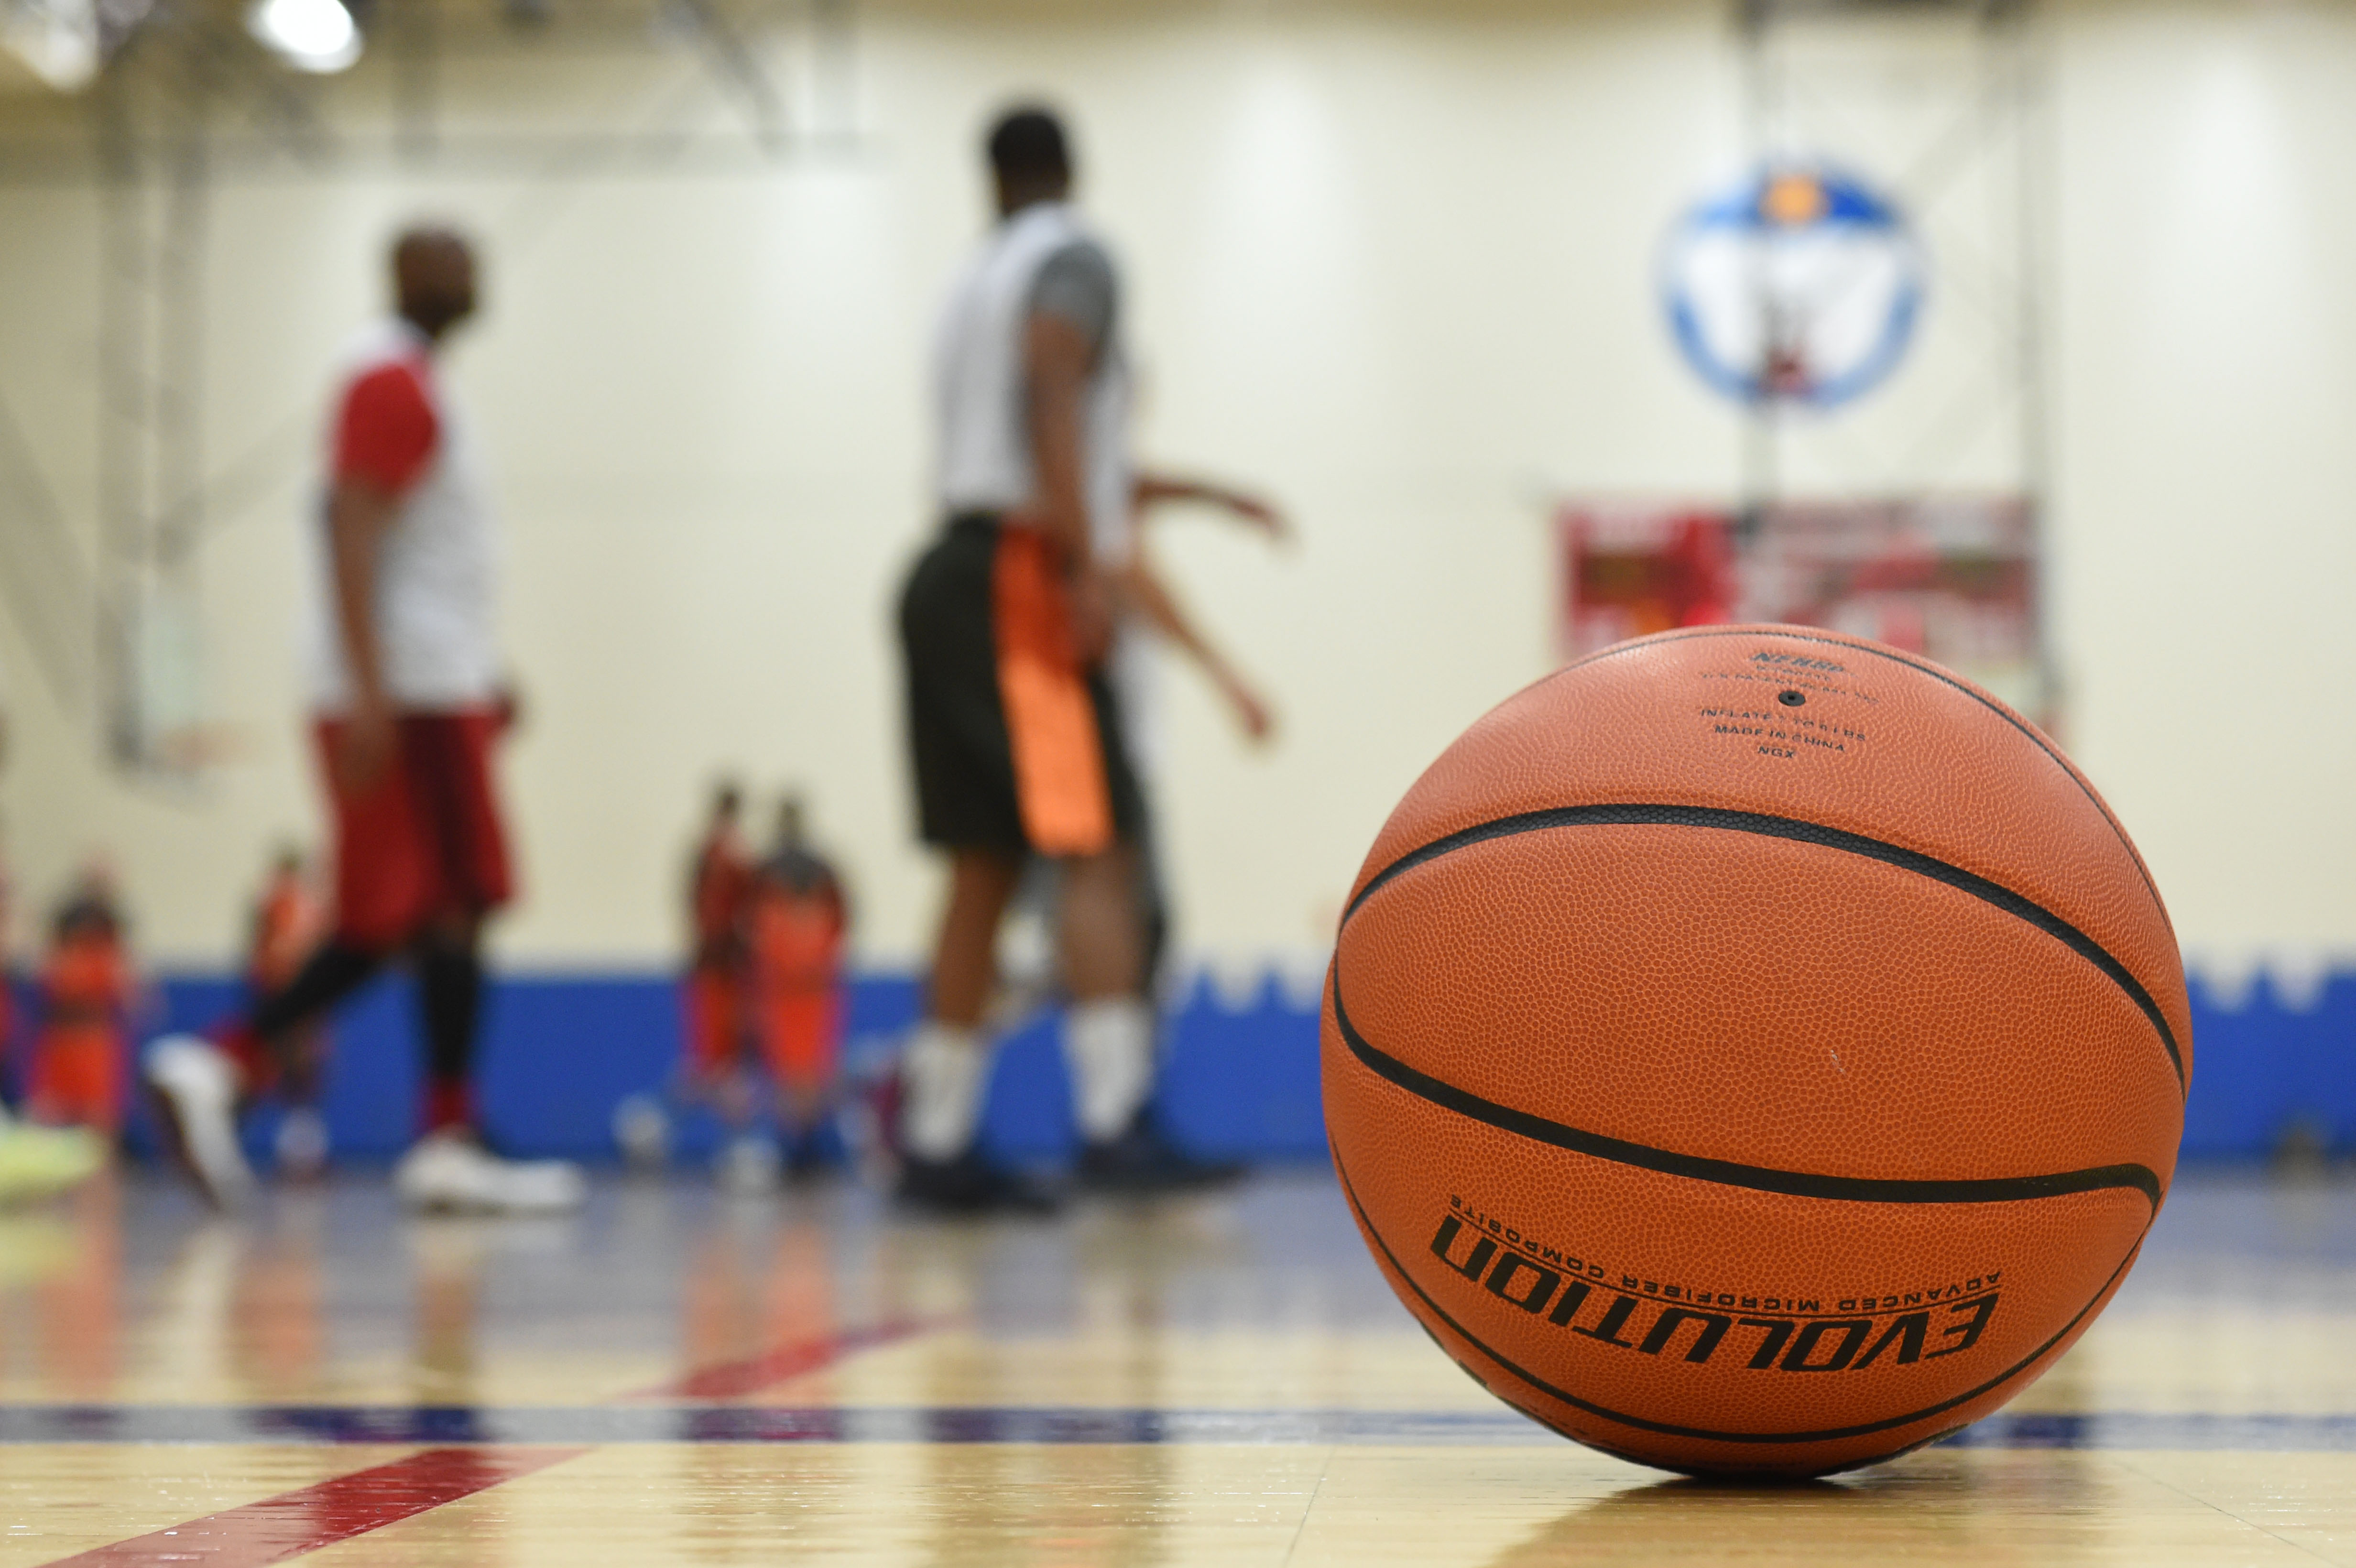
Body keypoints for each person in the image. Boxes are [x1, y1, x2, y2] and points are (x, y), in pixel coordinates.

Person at [142, 226, 583, 1215]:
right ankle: (248, 1070)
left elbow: (419, 553)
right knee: (443, 905)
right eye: (445, 257)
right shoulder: (388, 379)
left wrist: (478, 670)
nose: (470, 269)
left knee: (423, 911)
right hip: (408, 691)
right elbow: (349, 518)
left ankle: (377, 1114)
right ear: (404, 275)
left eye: (474, 255)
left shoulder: (418, 383)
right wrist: (378, 689)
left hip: (432, 678)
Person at [893, 105, 1258, 1211]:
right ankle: (1113, 1123)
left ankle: (937, 1136)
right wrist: (1077, 558)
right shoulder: (1075, 258)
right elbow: (1053, 381)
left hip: (947, 571)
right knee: (1098, 846)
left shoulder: (967, 280)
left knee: (984, 862)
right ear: (1069, 169)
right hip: (1019, 578)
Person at [747, 793, 849, 1179]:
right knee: (807, 1069)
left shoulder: (767, 873)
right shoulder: (822, 869)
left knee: (796, 1070)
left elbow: (752, 927)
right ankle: (803, 1148)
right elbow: (842, 919)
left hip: (789, 984)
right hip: (809, 983)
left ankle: (799, 1148)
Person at [27, 866, 141, 1136]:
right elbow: (46, 974)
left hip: (96, 1037)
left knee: (98, 1120)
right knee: (50, 1114)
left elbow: (132, 991)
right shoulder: (65, 926)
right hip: (61, 1037)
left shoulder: (113, 934)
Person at [246, 847, 333, 1178]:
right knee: (283, 1070)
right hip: (279, 996)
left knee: (307, 1070)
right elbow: (263, 953)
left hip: (306, 999)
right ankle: (294, 1147)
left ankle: (305, 1147)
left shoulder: (308, 908)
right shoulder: (271, 906)